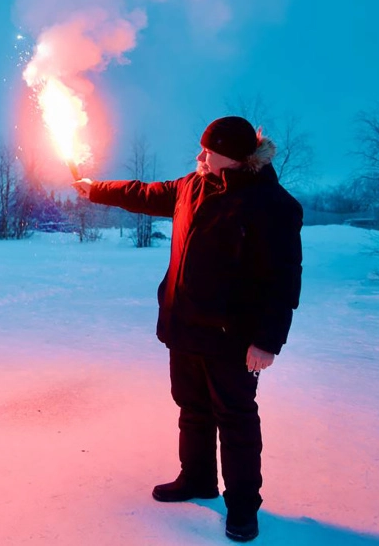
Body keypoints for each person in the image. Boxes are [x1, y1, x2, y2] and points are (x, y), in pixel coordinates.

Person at [73, 116, 302, 542]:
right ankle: (197, 478)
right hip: (185, 326)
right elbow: (143, 193)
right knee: (191, 409)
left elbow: (284, 277)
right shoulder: (191, 186)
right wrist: (95, 188)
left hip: (232, 336)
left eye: (207, 152)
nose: (199, 157)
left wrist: (268, 341)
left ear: (233, 158)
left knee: (235, 420)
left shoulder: (273, 205)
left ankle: (243, 509)